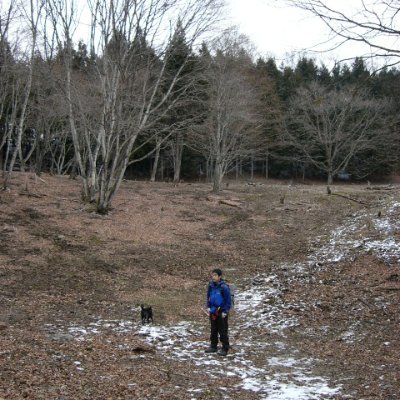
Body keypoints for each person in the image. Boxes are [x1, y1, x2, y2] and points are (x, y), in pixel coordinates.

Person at [205, 268, 231, 356]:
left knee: (222, 330)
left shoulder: (224, 287)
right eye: (213, 275)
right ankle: (213, 346)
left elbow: (228, 300)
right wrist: (208, 306)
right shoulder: (210, 286)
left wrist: (226, 311)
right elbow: (208, 296)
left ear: (220, 276)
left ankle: (225, 348)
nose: (213, 277)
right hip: (213, 310)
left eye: (215, 275)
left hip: (221, 311)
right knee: (213, 329)